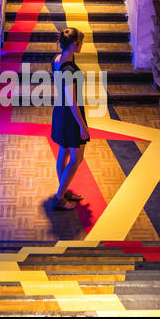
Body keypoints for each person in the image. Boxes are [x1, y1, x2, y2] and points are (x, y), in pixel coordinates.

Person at [50, 27, 90, 211]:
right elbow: (72, 101)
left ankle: (63, 190)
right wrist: (82, 125)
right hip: (70, 114)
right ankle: (59, 198)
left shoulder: (58, 59)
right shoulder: (67, 67)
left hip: (61, 110)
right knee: (76, 157)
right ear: (74, 45)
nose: (82, 45)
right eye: (80, 43)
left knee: (64, 150)